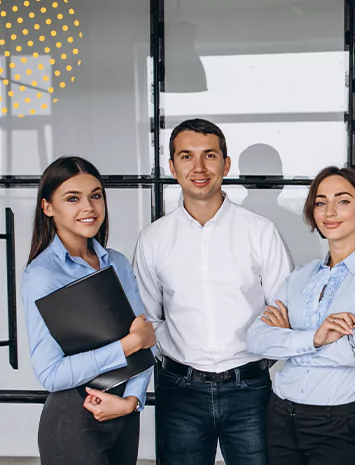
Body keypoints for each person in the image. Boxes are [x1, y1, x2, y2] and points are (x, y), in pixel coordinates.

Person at [133, 118, 293, 465]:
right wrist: (180, 353)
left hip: (249, 387)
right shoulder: (153, 239)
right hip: (179, 390)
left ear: (226, 164)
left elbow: (283, 312)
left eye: (209, 155)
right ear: (172, 167)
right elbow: (147, 318)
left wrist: (253, 356)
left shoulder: (260, 232)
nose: (200, 167)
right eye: (187, 157)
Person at [247, 166, 355, 465]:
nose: (330, 211)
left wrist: (288, 341)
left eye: (342, 200)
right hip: (279, 415)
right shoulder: (300, 276)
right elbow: (255, 340)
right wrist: (316, 338)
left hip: (337, 423)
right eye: (320, 202)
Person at [22, 156, 155, 465]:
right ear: (48, 207)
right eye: (73, 198)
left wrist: (132, 401)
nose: (89, 207)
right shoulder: (42, 275)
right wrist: (126, 346)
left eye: (96, 195)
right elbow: (51, 374)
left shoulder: (118, 263)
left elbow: (146, 343)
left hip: (123, 415)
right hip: (74, 417)